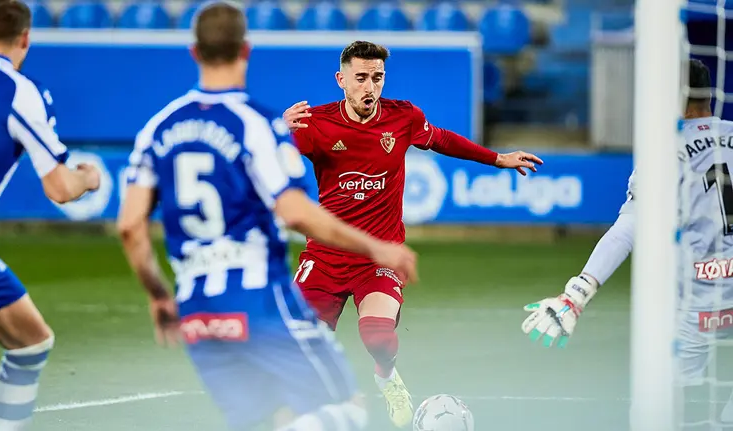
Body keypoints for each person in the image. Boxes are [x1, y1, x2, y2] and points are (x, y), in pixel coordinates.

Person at [116, 3, 418, 431]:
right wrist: (376, 246)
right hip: (261, 301)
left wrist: (159, 295)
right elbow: (295, 212)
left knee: (264, 417)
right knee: (341, 411)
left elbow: (130, 226)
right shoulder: (256, 124)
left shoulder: (158, 128)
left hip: (197, 309)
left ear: (192, 51)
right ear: (246, 50)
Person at [282, 40, 544, 427]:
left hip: (380, 257)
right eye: (361, 78)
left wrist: (497, 158)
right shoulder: (315, 125)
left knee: (377, 336)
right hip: (325, 256)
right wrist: (275, 132)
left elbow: (440, 139)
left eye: (377, 78)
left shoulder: (401, 118)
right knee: (302, 350)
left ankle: (387, 379)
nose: (370, 87)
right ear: (341, 80)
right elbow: (258, 156)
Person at [521, 59, 733, 425]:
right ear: (709, 94)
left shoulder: (665, 154)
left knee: (659, 406)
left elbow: (627, 230)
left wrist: (575, 296)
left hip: (699, 304)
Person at [0, 0, 101, 429]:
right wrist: (90, 178)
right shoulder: (22, 91)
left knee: (31, 341)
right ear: (26, 37)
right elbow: (60, 188)